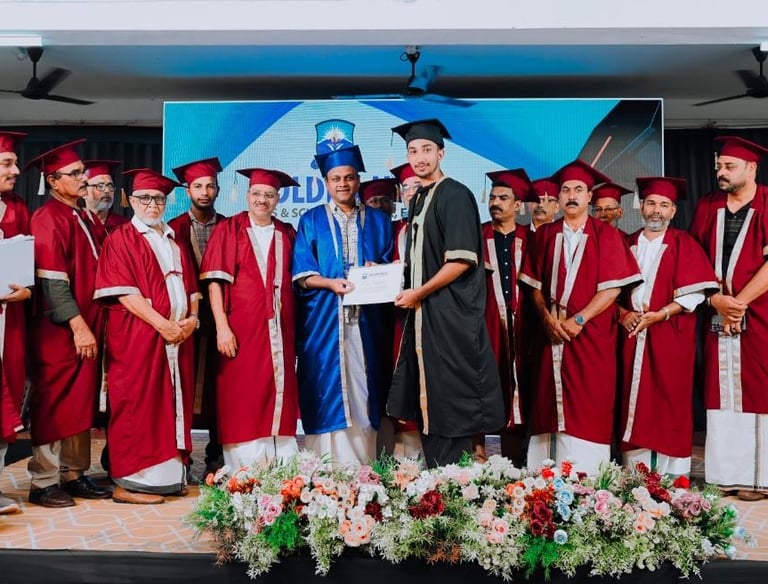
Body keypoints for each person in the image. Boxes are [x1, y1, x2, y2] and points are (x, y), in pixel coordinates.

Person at [387, 118, 504, 468]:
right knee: (431, 399)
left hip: (450, 316)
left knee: (452, 399)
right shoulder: (420, 199)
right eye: (413, 151)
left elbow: (461, 261)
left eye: (427, 149)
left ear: (441, 152)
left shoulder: (454, 194)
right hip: (426, 316)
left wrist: (418, 293)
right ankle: (439, 480)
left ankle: (456, 481)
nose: (419, 157)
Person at [519, 159, 642, 476]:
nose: (571, 196)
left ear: (589, 196)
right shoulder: (545, 235)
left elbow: (612, 290)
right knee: (547, 402)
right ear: (558, 197)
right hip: (551, 334)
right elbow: (533, 286)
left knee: (589, 403)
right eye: (565, 190)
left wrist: (579, 320)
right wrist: (546, 318)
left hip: (592, 336)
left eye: (578, 190)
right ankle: (544, 476)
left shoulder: (606, 235)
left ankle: (587, 476)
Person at [94, 168, 199, 504]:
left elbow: (191, 290)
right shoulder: (122, 239)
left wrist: (192, 320)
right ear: (131, 200)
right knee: (137, 403)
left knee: (169, 403)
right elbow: (124, 293)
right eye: (144, 198)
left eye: (158, 199)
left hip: (176, 339)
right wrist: (162, 324)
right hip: (138, 336)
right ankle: (130, 482)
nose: (152, 205)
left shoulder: (173, 239)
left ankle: (168, 478)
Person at [293, 145, 393, 466]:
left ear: (358, 180)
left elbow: (391, 266)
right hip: (324, 321)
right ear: (326, 182)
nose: (343, 184)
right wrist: (330, 283)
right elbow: (303, 274)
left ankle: (363, 465)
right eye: (335, 179)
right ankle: (325, 466)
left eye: (349, 178)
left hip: (367, 322)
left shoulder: (378, 221)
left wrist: (377, 268)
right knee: (326, 384)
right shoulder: (311, 220)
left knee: (364, 386)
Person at [25, 140, 111, 507]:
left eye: (82, 172)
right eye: (74, 173)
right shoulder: (48, 218)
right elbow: (52, 282)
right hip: (59, 331)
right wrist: (78, 325)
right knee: (55, 401)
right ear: (53, 180)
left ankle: (73, 474)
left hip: (87, 327)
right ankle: (44, 481)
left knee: (80, 401)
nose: (83, 178)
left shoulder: (82, 216)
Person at [200, 168, 300, 468]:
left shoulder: (286, 232)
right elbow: (215, 283)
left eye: (269, 195)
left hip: (280, 329)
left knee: (278, 389)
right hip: (240, 328)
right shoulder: (229, 229)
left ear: (277, 199)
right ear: (247, 196)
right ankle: (243, 466)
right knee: (242, 391)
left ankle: (282, 463)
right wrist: (222, 327)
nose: (262, 200)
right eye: (256, 194)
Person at [618, 177, 717, 476]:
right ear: (641, 207)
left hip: (670, 335)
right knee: (633, 400)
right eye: (650, 203)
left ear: (673, 210)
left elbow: (695, 294)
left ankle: (672, 476)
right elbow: (608, 291)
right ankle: (635, 475)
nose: (656, 210)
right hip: (631, 334)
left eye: (663, 205)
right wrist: (623, 314)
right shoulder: (625, 244)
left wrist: (661, 314)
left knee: (669, 400)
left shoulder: (685, 244)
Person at [689, 135, 768, 501]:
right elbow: (695, 258)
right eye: (719, 166)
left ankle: (757, 477)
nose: (721, 172)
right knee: (719, 389)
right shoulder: (708, 205)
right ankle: (725, 474)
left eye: (729, 166)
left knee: (758, 389)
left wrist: (739, 303)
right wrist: (716, 300)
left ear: (751, 169)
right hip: (717, 311)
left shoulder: (767, 203)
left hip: (760, 312)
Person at [169, 156, 226, 477]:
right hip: (186, 320)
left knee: (221, 388)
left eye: (210, 186)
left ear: (218, 189)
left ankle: (217, 456)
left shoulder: (230, 226)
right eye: (198, 186)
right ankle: (182, 457)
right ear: (187, 190)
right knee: (184, 387)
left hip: (222, 318)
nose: (204, 192)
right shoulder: (173, 228)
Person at [476, 168, 533, 466]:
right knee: (484, 387)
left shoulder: (532, 239)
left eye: (503, 198)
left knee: (523, 388)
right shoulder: (476, 235)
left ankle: (518, 462)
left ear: (518, 205)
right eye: (493, 197)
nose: (496, 203)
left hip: (525, 327)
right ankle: (484, 459)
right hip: (485, 326)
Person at [0, 130, 31, 514]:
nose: (16, 170)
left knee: (4, 398)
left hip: (8, 323)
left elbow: (26, 264)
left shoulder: (17, 208)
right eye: (7, 163)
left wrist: (27, 290)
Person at [389, 162, 422, 460]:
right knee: (403, 377)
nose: (411, 192)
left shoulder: (441, 224)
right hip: (401, 318)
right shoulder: (396, 230)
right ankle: (405, 459)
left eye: (417, 186)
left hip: (433, 314)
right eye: (406, 187)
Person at [83, 160, 129, 235]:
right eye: (100, 186)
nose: (107, 190)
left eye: (110, 186)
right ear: (84, 192)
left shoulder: (124, 226)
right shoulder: (76, 223)